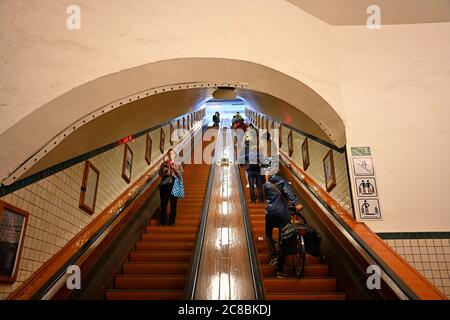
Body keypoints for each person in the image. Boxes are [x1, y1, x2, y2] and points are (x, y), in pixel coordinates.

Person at [264, 174, 303, 277]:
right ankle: (280, 271)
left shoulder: (267, 184)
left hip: (270, 213)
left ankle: (273, 256)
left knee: (268, 233)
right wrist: (296, 203)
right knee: (283, 238)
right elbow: (289, 194)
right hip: (282, 213)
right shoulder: (283, 181)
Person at [158, 148, 184, 226]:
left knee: (173, 205)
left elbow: (181, 175)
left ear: (174, 155)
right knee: (163, 205)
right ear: (167, 155)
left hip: (174, 186)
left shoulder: (178, 164)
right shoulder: (163, 164)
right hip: (164, 187)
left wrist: (174, 169)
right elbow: (160, 174)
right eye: (169, 154)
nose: (170, 155)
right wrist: (167, 169)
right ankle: (162, 222)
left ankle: (172, 221)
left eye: (172, 154)